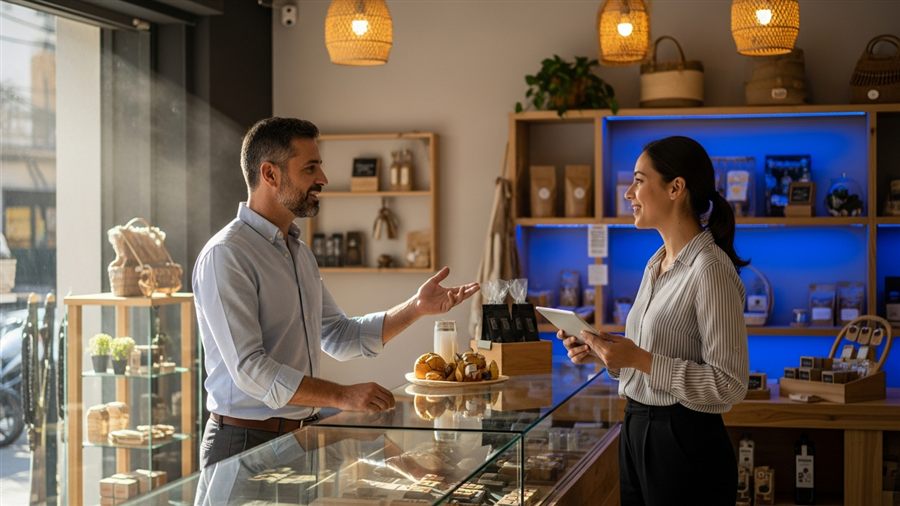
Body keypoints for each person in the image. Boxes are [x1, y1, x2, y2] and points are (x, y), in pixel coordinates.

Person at [193, 117, 479, 468]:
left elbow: (338, 335)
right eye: (310, 168)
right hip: (243, 444)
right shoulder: (227, 255)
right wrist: (343, 396)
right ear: (270, 174)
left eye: (320, 167)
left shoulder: (300, 253)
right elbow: (250, 368)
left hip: (299, 440)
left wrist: (416, 308)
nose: (323, 179)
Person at [561, 136, 749, 505]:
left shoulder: (709, 269)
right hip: (635, 429)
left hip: (685, 441)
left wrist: (638, 359)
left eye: (639, 181)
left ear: (676, 188)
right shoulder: (656, 264)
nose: (629, 193)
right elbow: (648, 359)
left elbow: (729, 384)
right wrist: (605, 352)